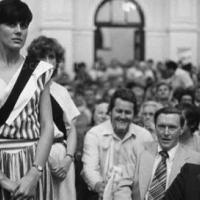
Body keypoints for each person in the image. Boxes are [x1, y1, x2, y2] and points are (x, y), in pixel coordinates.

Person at [0, 1, 54, 199]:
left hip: (32, 160)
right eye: (11, 24)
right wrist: (3, 179)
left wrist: (34, 173)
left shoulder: (39, 70)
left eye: (23, 25)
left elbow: (48, 125)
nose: (18, 31)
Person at [27, 35, 80, 200]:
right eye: (42, 57)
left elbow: (71, 130)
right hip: (37, 156)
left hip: (62, 157)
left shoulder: (61, 91)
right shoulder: (27, 89)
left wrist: (68, 159)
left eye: (52, 57)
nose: (47, 61)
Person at [82, 88, 153, 200]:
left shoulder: (145, 136)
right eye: (119, 111)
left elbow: (148, 173)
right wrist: (99, 186)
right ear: (110, 111)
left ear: (134, 114)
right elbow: (89, 168)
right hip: (101, 194)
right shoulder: (94, 134)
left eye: (128, 112)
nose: (123, 116)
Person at [132, 107, 200, 200]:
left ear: (181, 130)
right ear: (155, 127)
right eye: (161, 126)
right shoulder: (139, 150)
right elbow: (123, 185)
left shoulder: (195, 160)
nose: (166, 132)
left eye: (172, 127)